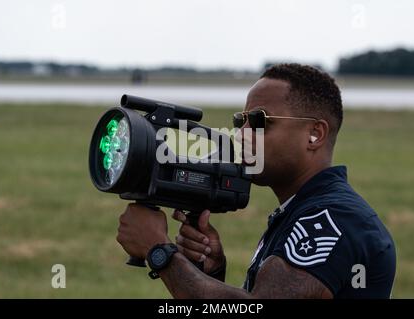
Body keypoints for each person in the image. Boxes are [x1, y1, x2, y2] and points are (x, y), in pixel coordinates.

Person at [116, 63, 396, 298]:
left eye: (261, 122)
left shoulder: (335, 217)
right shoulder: (300, 209)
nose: (242, 135)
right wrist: (212, 272)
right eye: (242, 122)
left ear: (315, 134)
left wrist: (159, 251)